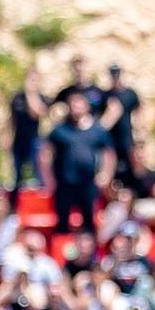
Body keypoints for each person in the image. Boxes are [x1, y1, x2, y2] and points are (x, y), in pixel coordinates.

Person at [44, 92, 112, 240]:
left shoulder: (97, 130)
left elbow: (109, 153)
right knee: (62, 223)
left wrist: (105, 174)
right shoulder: (60, 130)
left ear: (87, 106)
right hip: (64, 183)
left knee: (89, 222)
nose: (76, 108)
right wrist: (48, 178)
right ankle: (61, 255)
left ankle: (89, 256)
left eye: (79, 104)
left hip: (88, 184)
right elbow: (46, 153)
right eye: (73, 105)